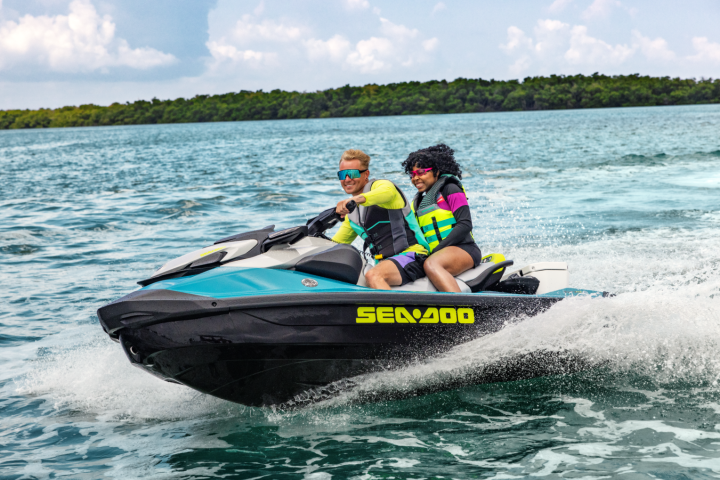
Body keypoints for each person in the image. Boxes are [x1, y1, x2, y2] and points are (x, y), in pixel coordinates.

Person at [332, 149, 430, 290]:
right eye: (342, 174)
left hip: (413, 256)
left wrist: (356, 200)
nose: (347, 179)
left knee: (373, 276)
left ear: (366, 174)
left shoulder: (381, 186)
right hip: (385, 265)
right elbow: (336, 244)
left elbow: (387, 193)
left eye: (353, 173)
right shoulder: (351, 215)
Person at [402, 144, 483, 292]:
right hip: (438, 254)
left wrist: (437, 250)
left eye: (421, 172)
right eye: (412, 174)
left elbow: (465, 224)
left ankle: (461, 306)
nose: (416, 178)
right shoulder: (418, 202)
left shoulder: (451, 189)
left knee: (431, 265)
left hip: (464, 249)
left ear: (436, 171)